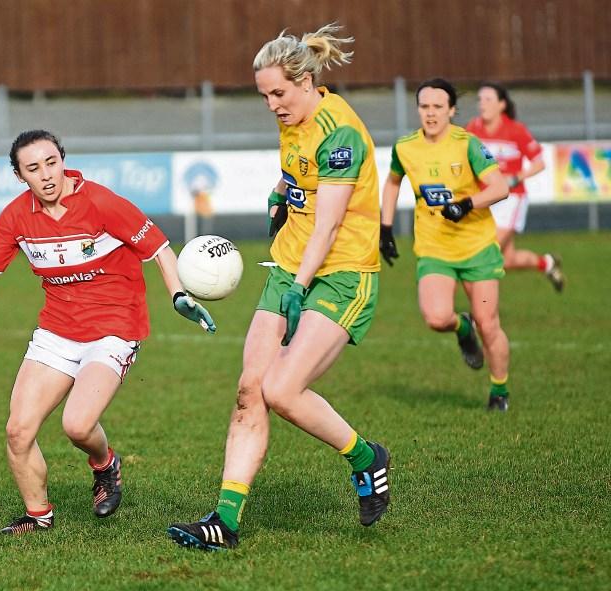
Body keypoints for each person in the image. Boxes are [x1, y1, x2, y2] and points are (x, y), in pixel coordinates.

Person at [0, 129, 216, 535]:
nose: (46, 174)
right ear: (20, 176)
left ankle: (105, 465)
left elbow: (159, 249)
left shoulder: (102, 202)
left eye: (51, 162)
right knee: (18, 430)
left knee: (78, 425)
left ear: (63, 160)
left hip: (115, 328)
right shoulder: (16, 216)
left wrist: (177, 296)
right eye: (33, 168)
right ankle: (38, 516)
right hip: (57, 330)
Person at [167, 24, 390, 552]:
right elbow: (297, 177)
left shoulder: (341, 134)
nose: (271, 105)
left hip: (342, 274)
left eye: (279, 93)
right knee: (250, 391)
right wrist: (281, 194)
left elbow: (331, 224)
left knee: (283, 390)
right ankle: (225, 520)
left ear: (307, 81)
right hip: (290, 264)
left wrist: (300, 287)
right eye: (264, 95)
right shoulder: (293, 118)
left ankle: (366, 458)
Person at [380, 78, 513, 411]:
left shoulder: (467, 143)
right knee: (437, 317)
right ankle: (461, 326)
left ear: (451, 110)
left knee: (489, 322)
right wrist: (385, 228)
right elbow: (393, 182)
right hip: (434, 247)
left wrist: (466, 205)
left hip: (477, 247)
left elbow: (500, 187)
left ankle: (499, 390)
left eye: (438, 107)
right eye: (424, 106)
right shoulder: (405, 147)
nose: (430, 113)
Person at [466, 82, 564, 291]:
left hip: (511, 199)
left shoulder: (516, 130)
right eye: (479, 99)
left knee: (484, 253)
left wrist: (515, 177)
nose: (482, 104)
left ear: (501, 105)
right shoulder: (473, 129)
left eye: (488, 99)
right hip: (485, 198)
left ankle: (480, 313)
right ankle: (547, 263)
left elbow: (539, 163)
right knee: (507, 260)